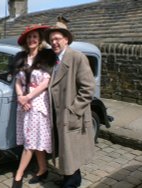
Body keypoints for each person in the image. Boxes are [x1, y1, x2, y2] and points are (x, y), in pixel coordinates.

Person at [45, 16, 96, 188]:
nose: (54, 42)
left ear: (66, 40)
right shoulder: (54, 60)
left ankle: (72, 181)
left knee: (71, 149)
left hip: (70, 113)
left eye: (57, 39)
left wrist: (73, 110)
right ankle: (69, 177)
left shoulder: (77, 57)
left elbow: (88, 89)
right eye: (52, 40)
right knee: (65, 150)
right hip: (58, 114)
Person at [12, 25, 57, 188]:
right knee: (34, 137)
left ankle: (18, 176)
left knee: (30, 142)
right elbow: (17, 80)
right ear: (26, 41)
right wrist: (20, 97)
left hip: (37, 103)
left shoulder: (45, 57)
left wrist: (28, 97)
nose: (32, 40)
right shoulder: (21, 57)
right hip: (24, 102)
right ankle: (43, 169)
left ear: (39, 40)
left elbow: (46, 82)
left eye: (35, 37)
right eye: (29, 37)